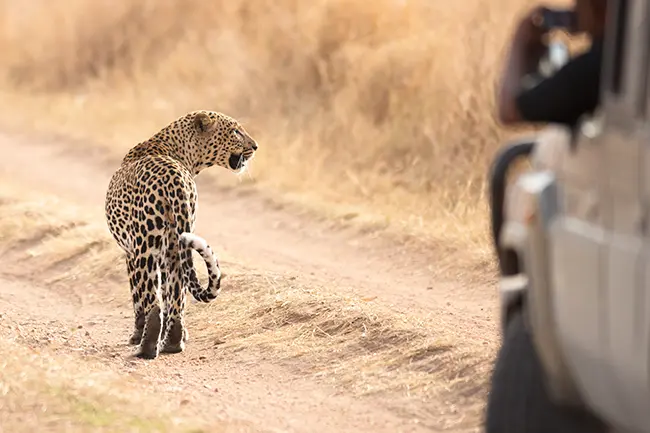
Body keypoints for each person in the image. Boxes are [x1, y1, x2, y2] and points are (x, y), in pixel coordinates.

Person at [496, 0, 609, 128]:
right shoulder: (623, 56)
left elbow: (509, 110)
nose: (575, 9)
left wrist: (520, 40)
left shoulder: (590, 69)